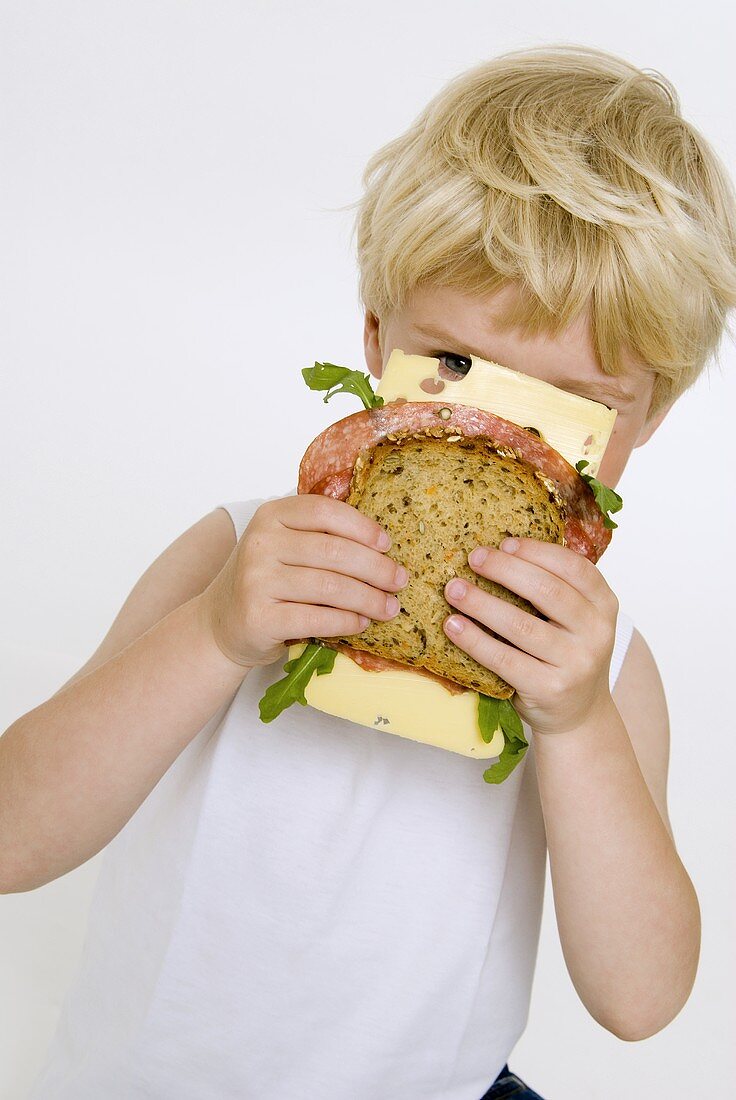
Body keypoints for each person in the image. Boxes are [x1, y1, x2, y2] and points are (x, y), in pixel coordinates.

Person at [4, 43, 736, 1100]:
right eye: (452, 364)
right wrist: (214, 633)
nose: (496, 435)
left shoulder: (605, 672)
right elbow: (13, 838)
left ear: (647, 420)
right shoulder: (234, 550)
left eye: (573, 401)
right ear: (374, 334)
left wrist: (575, 723)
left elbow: (640, 998)